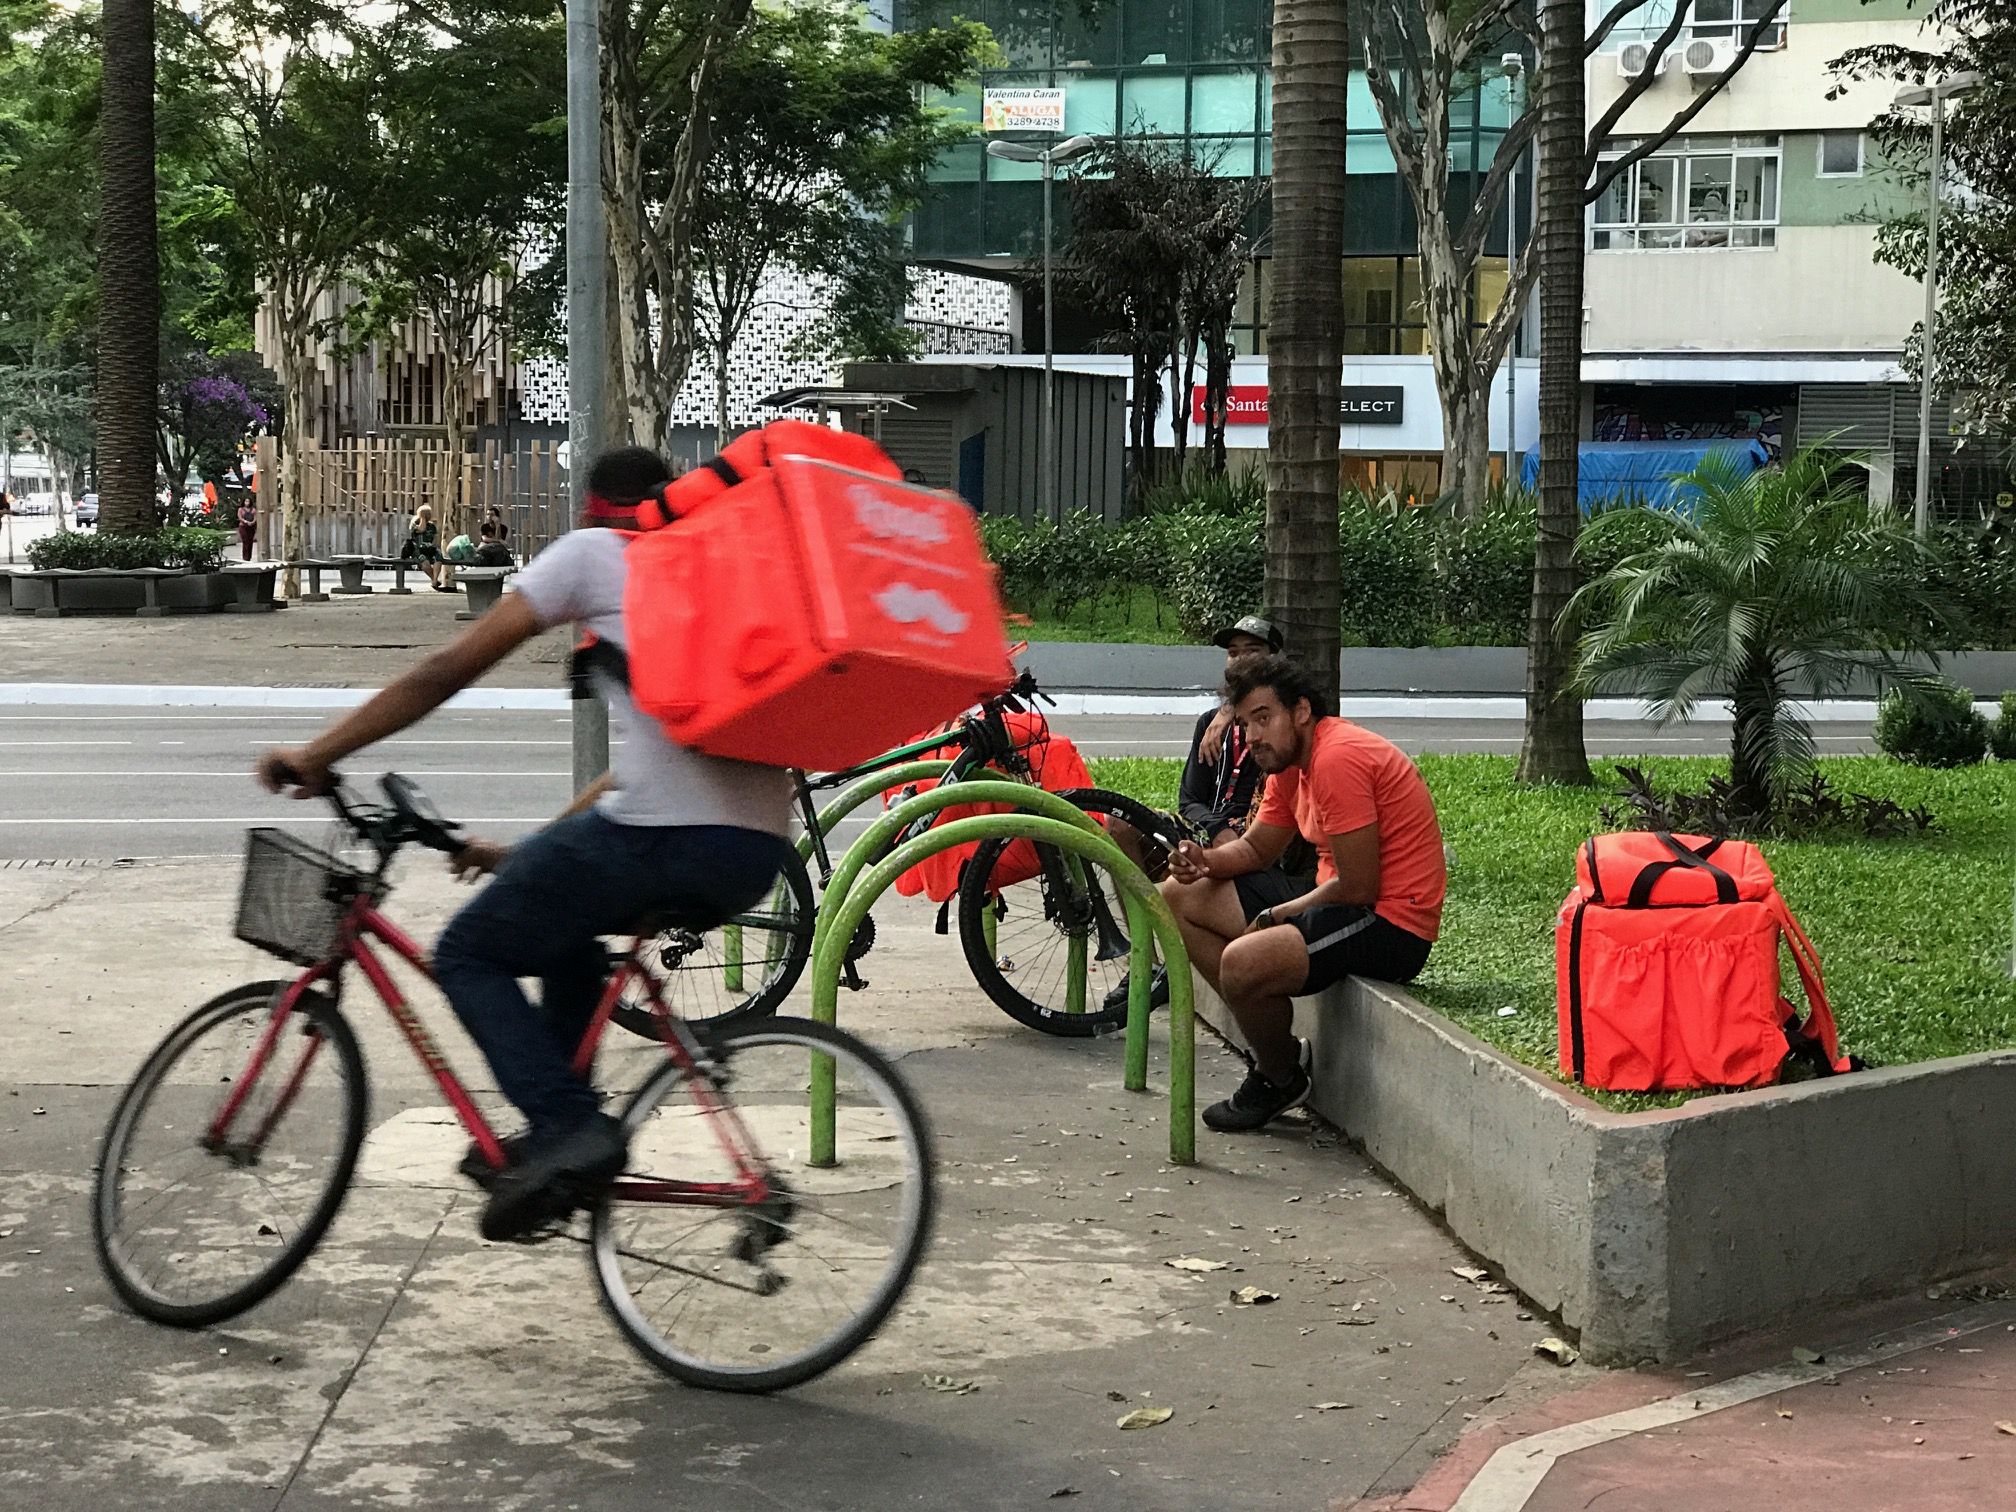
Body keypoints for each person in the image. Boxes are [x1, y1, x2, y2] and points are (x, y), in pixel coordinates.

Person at [254, 446, 797, 1240]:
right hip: (750, 852)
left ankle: (567, 1127)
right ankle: (557, 1136)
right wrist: (526, 852)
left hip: (662, 837)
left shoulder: (594, 553)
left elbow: (444, 670)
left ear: (593, 501)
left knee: (468, 951)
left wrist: (318, 754)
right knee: (564, 940)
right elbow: (629, 774)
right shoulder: (711, 573)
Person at [1160, 654, 1446, 1133]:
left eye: (1264, 718)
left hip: (1390, 921)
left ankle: (1278, 1076)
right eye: (1246, 723)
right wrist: (1201, 860)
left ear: (1302, 712)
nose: (1253, 736)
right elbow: (1255, 849)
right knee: (1178, 895)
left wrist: (1277, 915)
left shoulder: (1337, 757)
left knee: (1243, 962)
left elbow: (1360, 886)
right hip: (1340, 897)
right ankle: (1269, 1039)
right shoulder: (1289, 763)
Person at [1100, 613, 1283, 1012]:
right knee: (1118, 823)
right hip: (1209, 831)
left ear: (1275, 659)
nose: (1240, 661)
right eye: (1233, 654)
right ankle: (1144, 962)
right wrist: (1216, 830)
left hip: (1257, 838)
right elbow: (1190, 799)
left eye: (1252, 651)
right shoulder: (1210, 723)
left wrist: (1233, 711)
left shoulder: (1280, 725)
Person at [401, 504, 444, 588]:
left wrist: (433, 546)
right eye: (426, 514)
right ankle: (434, 580)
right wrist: (422, 518)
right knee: (425, 562)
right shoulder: (414, 524)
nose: (429, 516)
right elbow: (421, 529)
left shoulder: (432, 526)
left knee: (438, 558)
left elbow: (435, 538)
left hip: (429, 548)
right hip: (418, 549)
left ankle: (435, 579)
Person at [236, 496, 258, 561]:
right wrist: (245, 521)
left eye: (248, 501)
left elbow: (255, 517)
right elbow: (239, 517)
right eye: (246, 501)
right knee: (245, 541)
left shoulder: (253, 509)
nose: (247, 503)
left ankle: (249, 557)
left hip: (251, 527)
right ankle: (245, 556)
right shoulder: (240, 509)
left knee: (250, 541)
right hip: (243, 526)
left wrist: (252, 522)